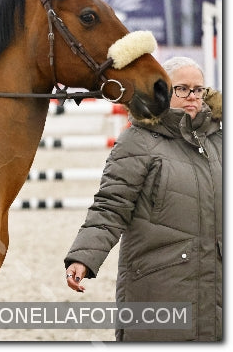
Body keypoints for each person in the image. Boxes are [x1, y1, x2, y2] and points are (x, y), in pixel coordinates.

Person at [63, 56, 222, 341]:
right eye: (182, 88)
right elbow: (110, 205)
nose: (192, 96)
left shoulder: (220, 141)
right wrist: (84, 257)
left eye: (198, 89)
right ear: (162, 91)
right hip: (159, 288)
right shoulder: (137, 141)